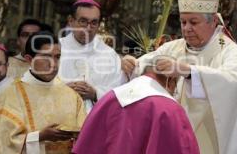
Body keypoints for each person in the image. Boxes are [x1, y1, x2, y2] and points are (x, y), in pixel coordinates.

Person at [122, 0, 237, 154]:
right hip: (169, 139)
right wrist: (131, 65)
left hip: (208, 144)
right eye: (183, 22)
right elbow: (145, 64)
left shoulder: (233, 54)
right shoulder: (174, 47)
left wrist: (187, 70)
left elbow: (232, 82)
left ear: (213, 20)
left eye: (194, 22)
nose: (187, 29)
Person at [0, 31, 86, 153]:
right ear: (29, 59)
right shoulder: (11, 96)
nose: (53, 64)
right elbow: (0, 144)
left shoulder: (72, 97)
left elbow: (86, 138)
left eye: (57, 57)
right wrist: (39, 137)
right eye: (46, 57)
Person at [72, 56, 200, 154]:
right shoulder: (170, 109)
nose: (174, 92)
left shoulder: (110, 97)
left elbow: (87, 144)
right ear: (170, 80)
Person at [59, 0, 126, 113]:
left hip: (95, 121)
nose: (88, 28)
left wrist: (95, 94)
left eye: (94, 23)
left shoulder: (109, 55)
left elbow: (120, 92)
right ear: (71, 21)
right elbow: (40, 86)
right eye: (83, 21)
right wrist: (63, 90)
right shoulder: (56, 49)